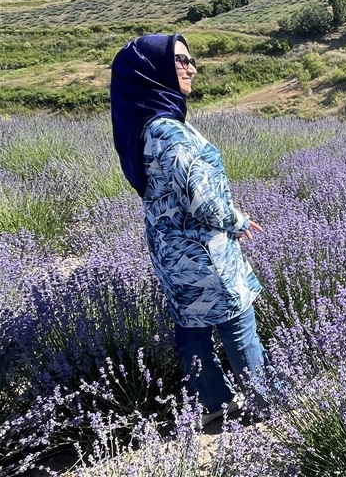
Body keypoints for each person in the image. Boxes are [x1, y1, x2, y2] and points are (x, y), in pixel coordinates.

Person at [110, 34, 272, 426]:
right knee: (237, 321)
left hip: (172, 250)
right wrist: (239, 220)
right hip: (203, 251)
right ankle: (267, 404)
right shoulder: (168, 132)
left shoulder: (144, 124)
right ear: (153, 70)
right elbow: (201, 200)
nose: (191, 67)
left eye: (190, 58)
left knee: (192, 326)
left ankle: (215, 401)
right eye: (180, 60)